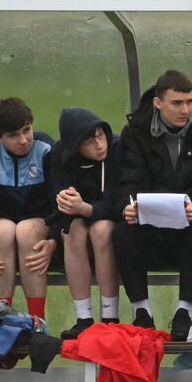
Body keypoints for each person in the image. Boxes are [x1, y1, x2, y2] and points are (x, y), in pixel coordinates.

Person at [113, 70, 192, 341]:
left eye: (189, 102)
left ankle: (184, 313)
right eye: (177, 103)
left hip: (190, 222)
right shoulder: (136, 132)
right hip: (148, 224)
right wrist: (128, 206)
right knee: (123, 230)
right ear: (158, 103)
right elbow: (125, 179)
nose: (186, 109)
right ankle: (141, 311)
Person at [0, 97, 57, 323]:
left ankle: (37, 322)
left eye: (27, 130)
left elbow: (58, 202)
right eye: (13, 135)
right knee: (3, 231)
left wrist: (53, 239)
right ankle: (1, 319)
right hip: (3, 224)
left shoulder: (46, 149)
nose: (23, 140)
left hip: (39, 224)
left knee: (25, 230)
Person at [48, 107, 123, 340]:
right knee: (71, 230)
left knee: (101, 230)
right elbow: (58, 202)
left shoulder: (118, 148)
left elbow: (119, 201)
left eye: (101, 135)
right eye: (90, 141)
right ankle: (84, 318)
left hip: (110, 219)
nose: (100, 144)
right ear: (75, 145)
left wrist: (86, 209)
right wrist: (68, 207)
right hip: (78, 220)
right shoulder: (59, 155)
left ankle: (110, 318)